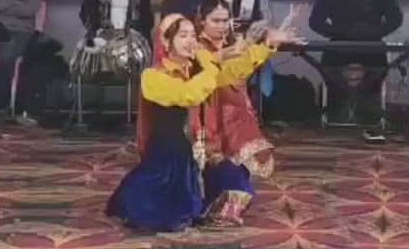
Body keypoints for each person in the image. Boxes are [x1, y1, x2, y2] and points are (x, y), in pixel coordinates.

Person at [106, 13, 293, 231]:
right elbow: (188, 95)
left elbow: (234, 72)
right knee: (161, 213)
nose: (190, 41)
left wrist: (267, 45)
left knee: (236, 181)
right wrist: (211, 64)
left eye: (193, 35)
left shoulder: (197, 69)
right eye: (182, 35)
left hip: (201, 154)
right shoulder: (153, 76)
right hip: (169, 160)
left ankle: (210, 206)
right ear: (166, 41)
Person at [195, 0, 302, 224]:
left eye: (225, 20)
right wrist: (258, 46)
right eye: (215, 20)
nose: (221, 26)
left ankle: (225, 208)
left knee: (237, 163)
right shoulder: (198, 47)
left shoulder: (230, 43)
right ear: (202, 21)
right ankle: (209, 206)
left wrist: (267, 44)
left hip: (234, 111)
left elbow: (240, 69)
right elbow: (224, 76)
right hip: (208, 113)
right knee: (211, 162)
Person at [309, 0, 403, 132]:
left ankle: (369, 114)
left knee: (378, 69)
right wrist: (337, 33)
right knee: (328, 66)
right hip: (340, 45)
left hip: (370, 45)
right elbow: (315, 21)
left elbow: (395, 18)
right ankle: (338, 112)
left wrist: (374, 33)